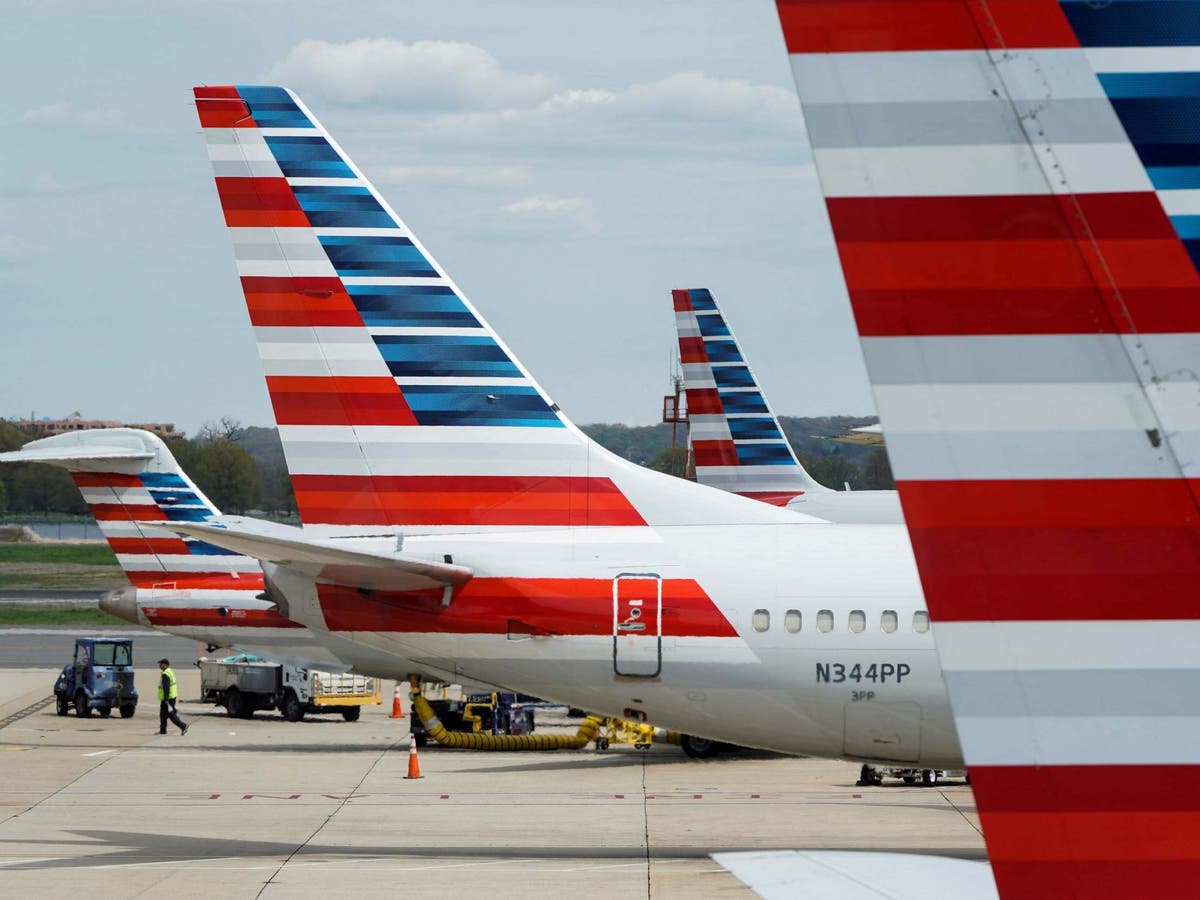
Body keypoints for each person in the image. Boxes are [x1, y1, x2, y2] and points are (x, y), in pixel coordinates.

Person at [157, 658, 188, 736]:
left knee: (171, 715)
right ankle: (162, 730)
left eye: (161, 664)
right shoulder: (170, 671)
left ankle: (183, 726)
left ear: (165, 665)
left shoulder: (166, 674)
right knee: (163, 714)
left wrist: (166, 699)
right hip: (172, 696)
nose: (160, 665)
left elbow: (166, 687)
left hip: (168, 698)